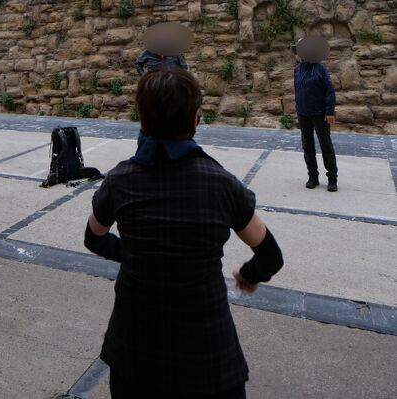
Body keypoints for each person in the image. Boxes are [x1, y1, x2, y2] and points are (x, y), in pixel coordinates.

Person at [84, 65, 283, 399]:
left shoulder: (120, 181)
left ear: (141, 120)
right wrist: (246, 273)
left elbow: (94, 238)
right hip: (208, 356)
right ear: (195, 119)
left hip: (135, 353)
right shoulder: (220, 184)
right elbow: (270, 256)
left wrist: (133, 253)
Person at [293, 45, 338, 192]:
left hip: (319, 113)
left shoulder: (321, 69)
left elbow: (329, 90)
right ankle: (313, 176)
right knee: (307, 145)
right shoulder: (297, 70)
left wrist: (329, 111)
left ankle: (332, 178)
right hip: (303, 113)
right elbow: (297, 90)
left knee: (325, 144)